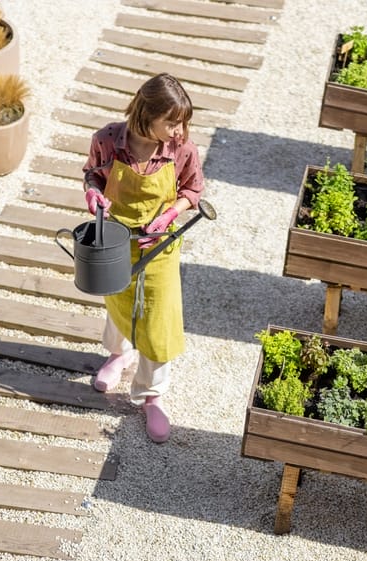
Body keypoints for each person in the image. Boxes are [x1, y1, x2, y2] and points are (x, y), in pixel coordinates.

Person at [82, 73, 205, 444]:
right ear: (145, 115)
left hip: (159, 246)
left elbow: (193, 189)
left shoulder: (182, 150)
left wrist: (170, 214)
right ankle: (117, 356)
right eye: (171, 121)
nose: (179, 130)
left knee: (158, 320)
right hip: (115, 238)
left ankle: (152, 395)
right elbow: (92, 176)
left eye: (183, 121)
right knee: (117, 301)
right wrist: (92, 196)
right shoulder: (107, 140)